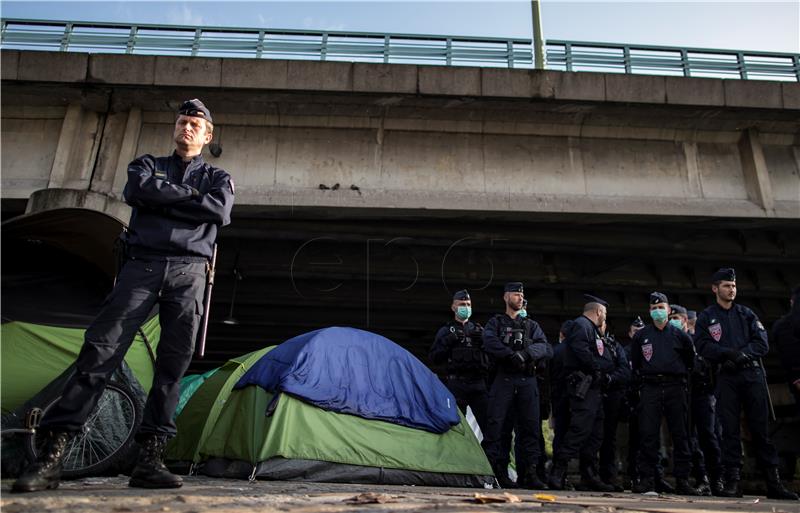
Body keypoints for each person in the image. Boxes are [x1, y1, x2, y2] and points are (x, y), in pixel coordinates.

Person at [13, 99, 234, 493]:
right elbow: (138, 190)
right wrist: (187, 201)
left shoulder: (218, 177)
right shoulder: (145, 165)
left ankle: (150, 459)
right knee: (98, 354)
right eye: (182, 122)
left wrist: (162, 198)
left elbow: (217, 211)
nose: (187, 128)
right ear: (175, 127)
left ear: (207, 135)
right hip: (141, 268)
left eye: (194, 124)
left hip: (189, 275)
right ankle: (51, 456)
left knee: (172, 369)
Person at [695, 268, 798, 500]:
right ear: (715, 289)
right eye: (726, 286)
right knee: (729, 431)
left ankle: (774, 483)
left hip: (752, 376)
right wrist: (727, 355)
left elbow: (762, 344)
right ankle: (732, 482)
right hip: (726, 377)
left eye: (733, 286)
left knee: (761, 430)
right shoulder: (707, 317)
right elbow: (702, 345)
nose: (731, 290)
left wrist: (743, 355)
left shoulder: (746, 314)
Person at [482, 282, 552, 489]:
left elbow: (545, 347)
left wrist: (525, 354)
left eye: (522, 295)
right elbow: (489, 341)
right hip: (503, 379)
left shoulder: (532, 325)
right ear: (506, 297)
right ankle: (498, 473)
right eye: (515, 294)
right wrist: (510, 355)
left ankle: (529, 474)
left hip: (526, 380)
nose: (520, 298)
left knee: (530, 428)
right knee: (499, 427)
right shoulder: (495, 323)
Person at [630, 293, 697, 495]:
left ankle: (683, 480)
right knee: (648, 435)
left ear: (669, 310)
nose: (658, 311)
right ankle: (648, 479)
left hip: (675, 387)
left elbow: (690, 363)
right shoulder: (642, 336)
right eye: (653, 308)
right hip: (650, 387)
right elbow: (636, 364)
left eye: (661, 307)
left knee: (680, 434)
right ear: (650, 312)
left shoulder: (681, 336)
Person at [548, 294, 614, 492]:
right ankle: (558, 471)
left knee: (595, 434)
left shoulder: (591, 329)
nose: (605, 318)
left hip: (594, 389)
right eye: (605, 314)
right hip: (583, 388)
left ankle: (589, 475)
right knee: (579, 430)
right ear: (598, 312)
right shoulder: (582, 325)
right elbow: (580, 350)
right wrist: (597, 368)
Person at [671, 304, 723, 496]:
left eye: (676, 319)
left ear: (685, 321)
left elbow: (711, 366)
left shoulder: (698, 341)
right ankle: (703, 478)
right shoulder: (670, 342)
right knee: (687, 440)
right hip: (682, 395)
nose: (672, 322)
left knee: (708, 437)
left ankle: (717, 478)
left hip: (702, 393)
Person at [429, 289, 490, 433]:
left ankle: (491, 456)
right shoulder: (446, 331)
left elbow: (494, 358)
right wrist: (448, 341)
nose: (466, 307)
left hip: (478, 384)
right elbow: (434, 358)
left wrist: (484, 342)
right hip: (456, 384)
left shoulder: (480, 331)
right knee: (454, 426)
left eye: (468, 304)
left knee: (489, 426)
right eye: (462, 304)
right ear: (453, 307)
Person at [597, 325, 631, 492]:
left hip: (611, 397)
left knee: (609, 439)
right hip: (591, 396)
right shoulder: (586, 343)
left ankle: (608, 476)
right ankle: (588, 474)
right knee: (591, 437)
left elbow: (625, 371)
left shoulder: (613, 345)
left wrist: (609, 378)